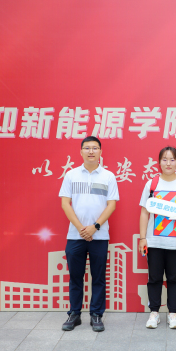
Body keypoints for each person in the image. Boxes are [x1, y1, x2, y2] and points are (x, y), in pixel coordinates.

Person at [59, 136, 119, 332]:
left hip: (99, 236)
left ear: (101, 152)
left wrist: (95, 226)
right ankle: (74, 314)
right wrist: (81, 228)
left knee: (98, 277)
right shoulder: (71, 175)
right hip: (75, 235)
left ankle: (96, 315)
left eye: (95, 148)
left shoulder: (108, 176)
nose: (91, 151)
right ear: (81, 151)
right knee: (75, 277)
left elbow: (111, 205)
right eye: (87, 148)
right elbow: (65, 204)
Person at [138, 146, 176, 329]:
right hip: (154, 241)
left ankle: (173, 314)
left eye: (172, 159)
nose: (168, 163)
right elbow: (144, 212)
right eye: (164, 159)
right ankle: (154, 313)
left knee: (174, 278)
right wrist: (142, 238)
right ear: (159, 162)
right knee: (154, 278)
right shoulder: (152, 184)